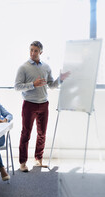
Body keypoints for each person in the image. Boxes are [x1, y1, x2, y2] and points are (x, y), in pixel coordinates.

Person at [14, 41, 70, 172]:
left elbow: (51, 85)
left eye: (35, 51)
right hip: (29, 104)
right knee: (26, 133)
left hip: (44, 104)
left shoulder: (46, 67)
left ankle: (38, 159)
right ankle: (23, 162)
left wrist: (60, 79)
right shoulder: (23, 67)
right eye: (31, 50)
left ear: (41, 52)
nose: (33, 53)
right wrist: (33, 84)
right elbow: (17, 86)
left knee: (42, 133)